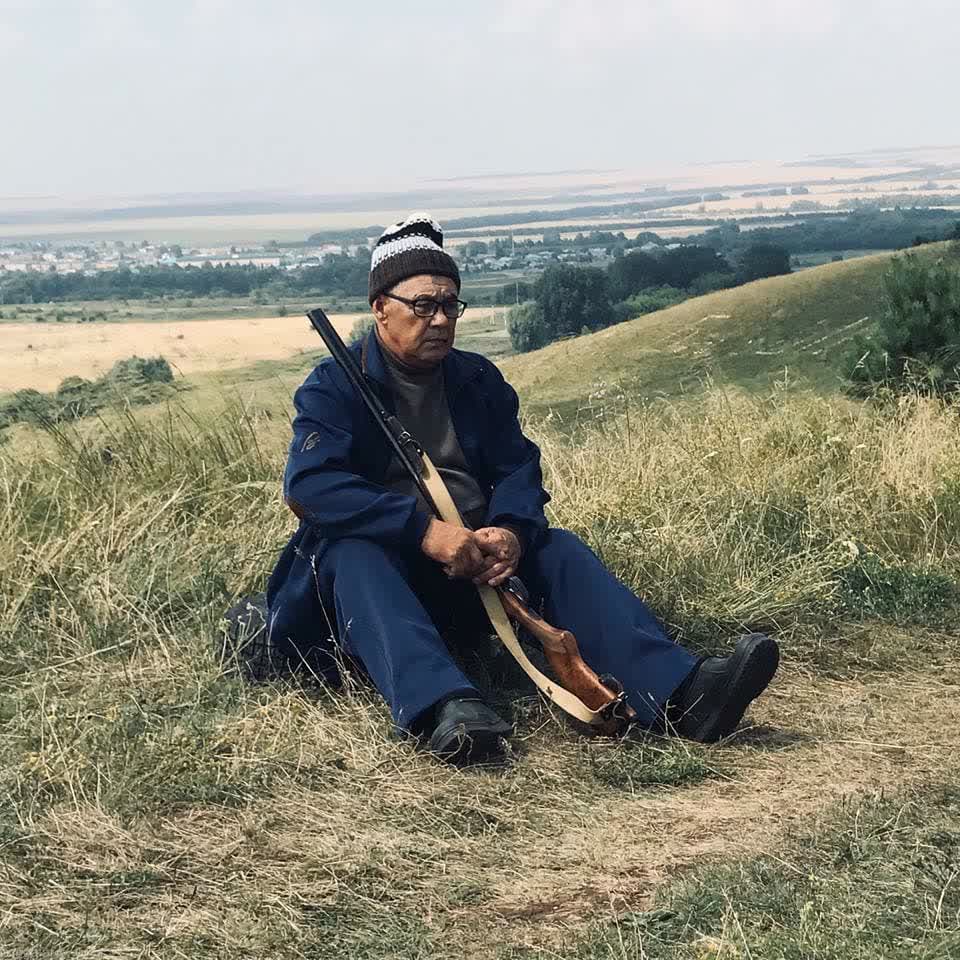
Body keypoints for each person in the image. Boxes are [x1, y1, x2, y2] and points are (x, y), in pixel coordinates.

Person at [265, 213, 779, 764]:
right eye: (423, 305)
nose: (440, 319)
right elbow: (311, 485)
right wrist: (424, 532)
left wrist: (510, 531)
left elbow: (518, 468)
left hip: (474, 570)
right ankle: (446, 708)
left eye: (450, 305)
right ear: (379, 308)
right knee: (355, 554)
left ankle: (683, 693)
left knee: (558, 550)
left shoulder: (478, 379)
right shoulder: (332, 387)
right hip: (379, 584)